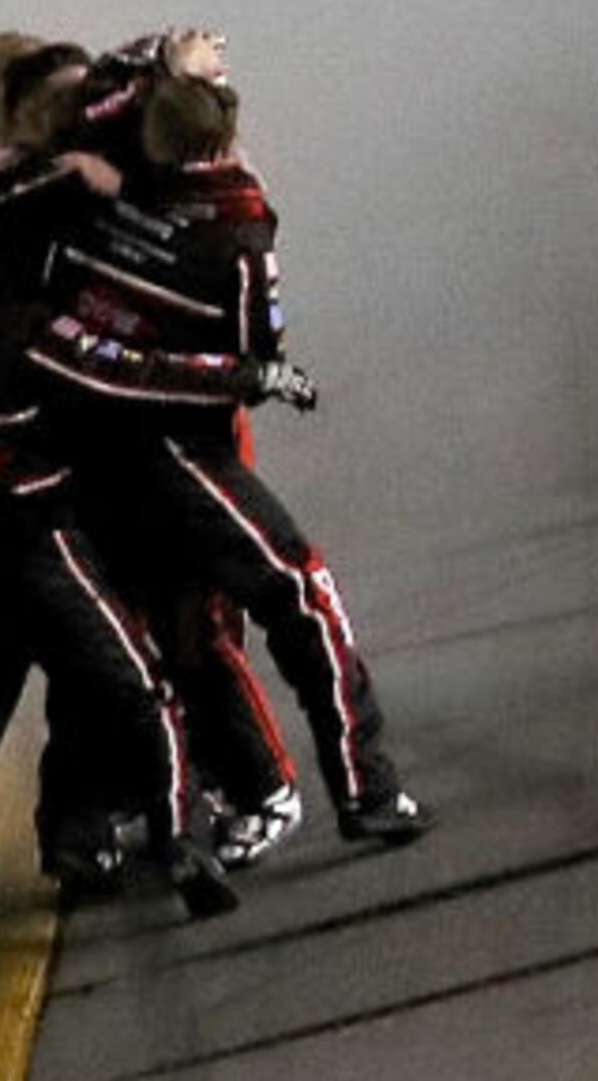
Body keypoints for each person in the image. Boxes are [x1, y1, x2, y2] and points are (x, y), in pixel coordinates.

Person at [0, 168, 258, 953]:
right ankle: (179, 847)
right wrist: (243, 374)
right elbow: (123, 372)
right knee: (145, 693)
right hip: (37, 550)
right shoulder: (15, 327)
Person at [31, 64, 429, 850]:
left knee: (176, 636)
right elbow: (249, 350)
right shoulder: (238, 229)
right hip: (172, 451)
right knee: (296, 593)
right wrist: (245, 374)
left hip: (95, 455)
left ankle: (209, 802)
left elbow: (90, 348)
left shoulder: (102, 194)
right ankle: (359, 787)